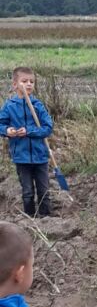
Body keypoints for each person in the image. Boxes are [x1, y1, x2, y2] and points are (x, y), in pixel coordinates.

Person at [0, 67, 54, 218]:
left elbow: (47, 128)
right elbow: (1, 124)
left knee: (44, 190)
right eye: (24, 81)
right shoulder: (9, 106)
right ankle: (29, 217)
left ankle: (46, 217)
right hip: (21, 157)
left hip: (40, 156)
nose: (29, 84)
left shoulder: (38, 106)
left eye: (32, 81)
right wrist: (8, 130)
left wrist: (29, 131)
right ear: (15, 85)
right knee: (28, 191)